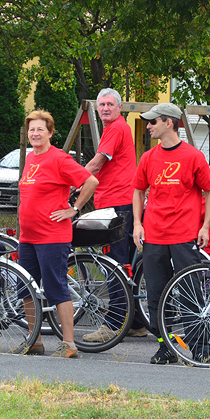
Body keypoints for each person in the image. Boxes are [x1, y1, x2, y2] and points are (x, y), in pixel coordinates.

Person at [132, 102, 210, 365]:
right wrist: (137, 223)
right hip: (154, 236)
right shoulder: (148, 157)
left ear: (168, 123)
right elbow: (138, 190)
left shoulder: (193, 156)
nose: (148, 126)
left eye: (153, 121)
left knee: (190, 292)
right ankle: (165, 346)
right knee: (156, 295)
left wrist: (205, 226)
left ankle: (200, 347)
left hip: (183, 235)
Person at [17, 110, 98, 358]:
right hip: (28, 236)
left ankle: (69, 344)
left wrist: (74, 209)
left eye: (40, 129)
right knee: (26, 288)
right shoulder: (30, 158)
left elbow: (91, 181)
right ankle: (34, 340)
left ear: (50, 133)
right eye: (32, 129)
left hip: (52, 236)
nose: (35, 133)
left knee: (56, 287)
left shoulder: (59, 158)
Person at [81, 88, 146, 342]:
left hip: (116, 204)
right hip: (123, 202)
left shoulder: (116, 128)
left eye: (110, 104)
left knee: (114, 264)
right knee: (126, 264)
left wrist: (71, 180)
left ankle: (113, 323)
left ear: (119, 108)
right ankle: (135, 322)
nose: (106, 108)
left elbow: (96, 163)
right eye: (102, 105)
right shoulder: (117, 128)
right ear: (97, 108)